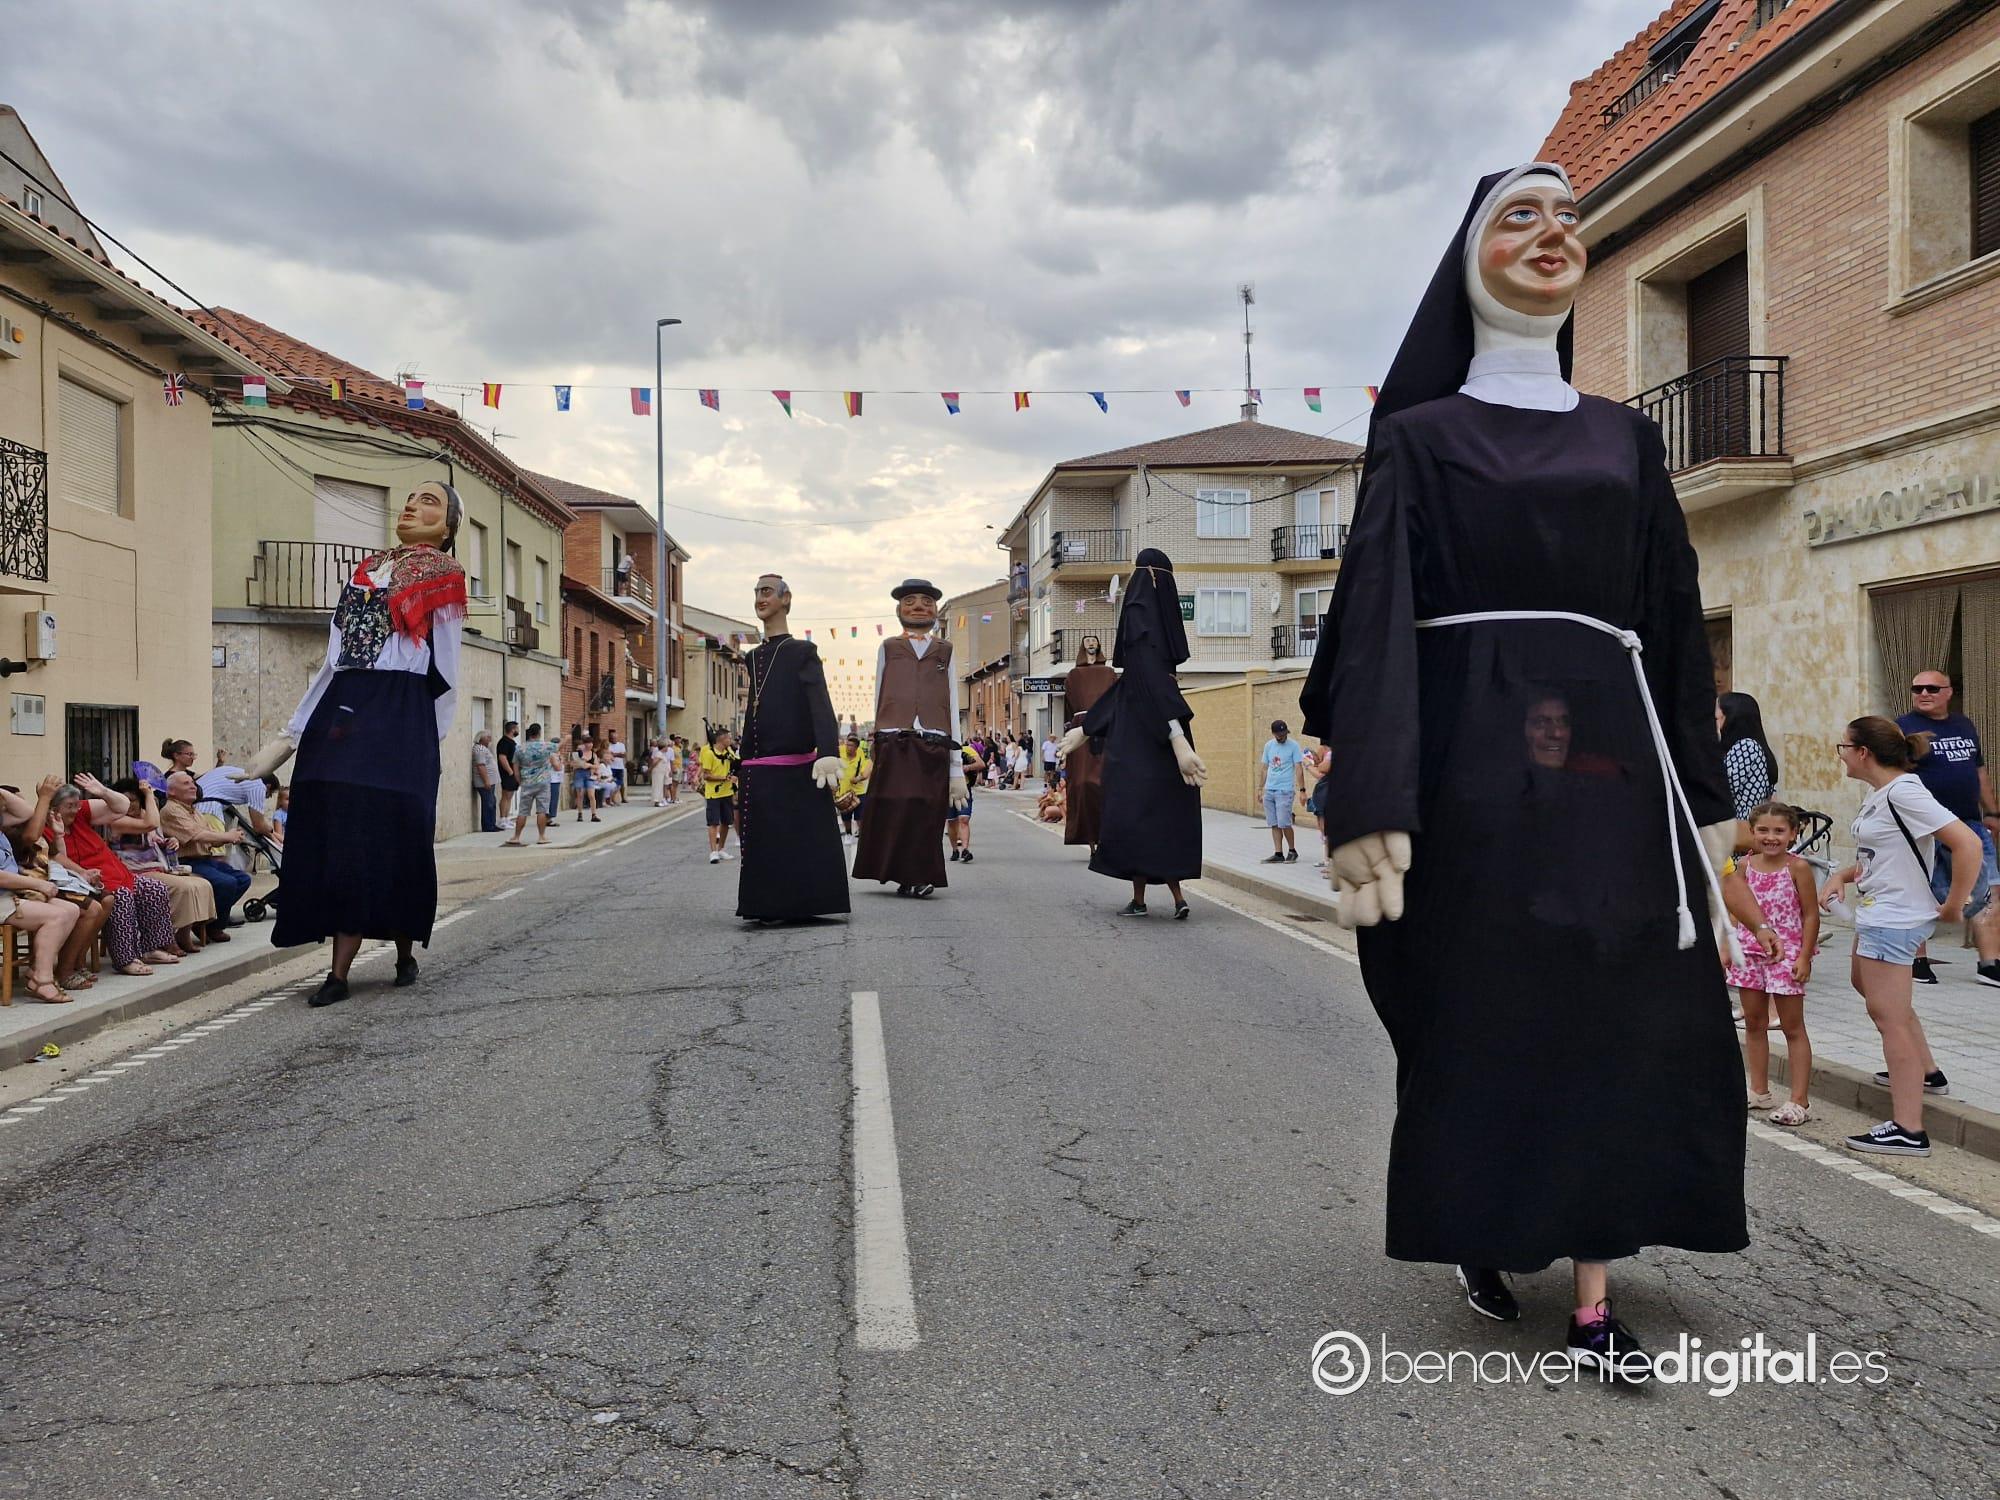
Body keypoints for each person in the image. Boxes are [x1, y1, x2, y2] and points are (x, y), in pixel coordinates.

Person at [1296, 164, 1746, 1380]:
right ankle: (1487, 1219)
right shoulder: (1418, 438)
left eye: (1566, 215)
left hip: (1609, 766)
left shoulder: (1623, 437)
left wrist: (1701, 797)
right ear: (1468, 259)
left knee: (1618, 1006)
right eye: (1519, 215)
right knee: (1483, 1009)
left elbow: (1668, 614)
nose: (1552, 232)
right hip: (1470, 770)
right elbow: (1376, 620)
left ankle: (1593, 1301)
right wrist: (1368, 796)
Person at [234, 479, 467, 1008]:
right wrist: (293, 731)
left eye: (429, 500)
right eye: (411, 498)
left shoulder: (444, 574)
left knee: (398, 833)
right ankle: (338, 970)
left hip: (404, 710)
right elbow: (332, 659)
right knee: (340, 832)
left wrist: (431, 740)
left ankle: (403, 952)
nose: (413, 505)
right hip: (347, 704)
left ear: (448, 526)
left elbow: (448, 669)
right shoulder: (364, 572)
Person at [1819, 716, 1982, 1157]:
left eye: (1843, 747)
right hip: (1879, 911)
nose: (1841, 755)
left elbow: (1967, 843)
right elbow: (1882, 854)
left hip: (1895, 917)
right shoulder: (1882, 793)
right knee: (1866, 986)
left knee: (1888, 1015)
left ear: (1863, 753)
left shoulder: (1904, 792)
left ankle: (1909, 1128)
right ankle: (1926, 1072)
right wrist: (1843, 876)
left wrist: (1954, 906)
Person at [1062, 548, 1207, 918]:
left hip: (1142, 742)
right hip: (1163, 736)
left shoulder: (1140, 623)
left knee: (1138, 818)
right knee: (1164, 818)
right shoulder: (1151, 631)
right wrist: (1086, 728)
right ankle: (1173, 898)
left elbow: (1142, 686)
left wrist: (1176, 740)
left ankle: (1144, 900)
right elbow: (1140, 686)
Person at [736, 574, 850, 921]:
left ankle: (803, 904)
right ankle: (766, 905)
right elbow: (753, 710)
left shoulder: (802, 651)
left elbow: (820, 703)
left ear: (786, 599)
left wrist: (827, 751)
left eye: (767, 591)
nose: (760, 598)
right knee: (765, 844)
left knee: (798, 841)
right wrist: (742, 760)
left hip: (795, 768)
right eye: (757, 592)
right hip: (759, 769)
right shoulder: (753, 656)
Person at [852, 579, 964, 898]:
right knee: (896, 806)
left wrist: (956, 768)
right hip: (894, 739)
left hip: (934, 740)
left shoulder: (945, 649)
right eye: (910, 600)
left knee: (927, 809)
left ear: (936, 609)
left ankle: (920, 874)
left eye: (926, 601)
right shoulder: (888, 647)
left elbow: (953, 701)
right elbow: (878, 694)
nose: (918, 606)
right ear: (898, 609)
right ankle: (900, 872)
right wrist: (875, 745)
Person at [1898, 669, 1999, 988]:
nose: (1923, 694)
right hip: (1924, 826)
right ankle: (1917, 960)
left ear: (1948, 692)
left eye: (1931, 688)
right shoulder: (1903, 727)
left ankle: (1989, 963)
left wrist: (1992, 811)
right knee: (1921, 890)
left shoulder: (1963, 725)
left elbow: (1978, 771)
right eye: (1917, 689)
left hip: (1968, 822)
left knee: (1989, 889)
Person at [1724, 801, 1819, 1127]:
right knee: (1754, 1022)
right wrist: (1729, 944)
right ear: (1751, 832)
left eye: (1779, 831)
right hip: (1750, 953)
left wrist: (1804, 956)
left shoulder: (1798, 868)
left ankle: (1800, 1099)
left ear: (1793, 833)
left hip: (1786, 954)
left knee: (1792, 1027)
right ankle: (1759, 1089)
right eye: (1763, 830)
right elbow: (1736, 910)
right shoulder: (1744, 866)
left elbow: (1811, 914)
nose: (1771, 837)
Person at [46, 778, 181, 975]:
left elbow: (122, 805)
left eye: (77, 805)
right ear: (54, 808)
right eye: (69, 806)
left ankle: (151, 948)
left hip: (119, 873)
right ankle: (125, 958)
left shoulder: (81, 815)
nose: (75, 810)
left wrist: (102, 791)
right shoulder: (48, 826)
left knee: (155, 889)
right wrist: (82, 871)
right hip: (91, 880)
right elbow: (56, 858)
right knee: (122, 897)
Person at [0, 783, 81, 1003]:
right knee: (55, 916)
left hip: (10, 894)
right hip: (3, 899)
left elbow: (26, 812)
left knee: (71, 910)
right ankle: (42, 980)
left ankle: (37, 969)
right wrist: (37, 885)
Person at [158, 770, 252, 941]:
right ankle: (212, 926)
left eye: (193, 783)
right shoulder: (171, 810)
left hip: (205, 859)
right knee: (226, 883)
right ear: (171, 791)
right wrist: (226, 836)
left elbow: (210, 837)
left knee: (243, 879)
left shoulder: (194, 810)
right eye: (186, 783)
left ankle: (207, 920)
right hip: (187, 862)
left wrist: (231, 836)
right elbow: (197, 835)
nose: (193, 786)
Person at [1061, 634, 1116, 852]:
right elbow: (1068, 707)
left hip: (1106, 729)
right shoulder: (1073, 675)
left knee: (1106, 782)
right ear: (1082, 647)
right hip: (1080, 730)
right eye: (1087, 641)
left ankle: (1108, 837)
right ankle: (1090, 839)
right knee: (1082, 783)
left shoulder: (1109, 673)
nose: (1091, 643)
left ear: (1099, 645)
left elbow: (1116, 701)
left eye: (1094, 640)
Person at [1717, 692, 1780, 846]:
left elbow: (1720, 789)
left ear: (1731, 718)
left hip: (1736, 839)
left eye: (1717, 719)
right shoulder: (1750, 747)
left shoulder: (1746, 747)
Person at [1259, 719, 1309, 863]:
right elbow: (1264, 768)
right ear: (1273, 734)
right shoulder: (1268, 746)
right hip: (1269, 789)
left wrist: (1302, 790)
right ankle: (1278, 853)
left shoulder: (1293, 746)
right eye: (1279, 735)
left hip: (1285, 790)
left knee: (1284, 823)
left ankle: (1292, 851)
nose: (1282, 737)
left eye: (1284, 734)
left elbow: (1298, 768)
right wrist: (1260, 788)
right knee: (1274, 823)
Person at [503, 724, 556, 846]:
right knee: (542, 810)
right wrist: (568, 738)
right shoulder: (545, 746)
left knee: (523, 811)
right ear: (539, 733)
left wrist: (520, 781)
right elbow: (559, 746)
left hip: (527, 783)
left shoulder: (520, 748)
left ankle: (516, 837)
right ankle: (541, 836)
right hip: (543, 782)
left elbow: (516, 769)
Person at [701, 727, 739, 864]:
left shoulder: (728, 752)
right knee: (713, 823)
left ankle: (721, 848)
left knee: (726, 822)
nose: (731, 740)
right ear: (722, 739)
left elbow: (737, 763)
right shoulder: (709, 753)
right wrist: (725, 778)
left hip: (727, 792)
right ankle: (713, 852)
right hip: (714, 794)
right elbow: (706, 775)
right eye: (729, 738)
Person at [946, 742, 986, 862]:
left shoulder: (966, 750)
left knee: (964, 819)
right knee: (951, 821)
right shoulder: (941, 750)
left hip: (963, 787)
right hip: (947, 790)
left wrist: (967, 767)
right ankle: (955, 850)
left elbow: (981, 764)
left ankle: (965, 850)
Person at [836, 732, 871, 843]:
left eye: (851, 745)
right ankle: (848, 834)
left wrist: (858, 778)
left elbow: (866, 770)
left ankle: (862, 834)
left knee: (860, 816)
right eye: (847, 744)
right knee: (845, 816)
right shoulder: (840, 750)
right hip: (844, 791)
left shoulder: (861, 753)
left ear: (856, 747)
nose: (848, 747)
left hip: (859, 791)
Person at [569, 731, 600, 823]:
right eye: (587, 743)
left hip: (589, 774)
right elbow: (572, 764)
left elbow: (597, 766)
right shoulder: (578, 753)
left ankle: (594, 814)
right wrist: (580, 764)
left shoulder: (593, 754)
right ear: (584, 744)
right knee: (580, 794)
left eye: (591, 743)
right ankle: (580, 813)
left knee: (591, 795)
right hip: (579, 774)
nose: (589, 745)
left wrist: (589, 765)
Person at [472, 731, 500, 832]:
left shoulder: (484, 749)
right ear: (481, 738)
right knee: (488, 803)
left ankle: (492, 824)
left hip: (490, 781)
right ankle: (488, 826)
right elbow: (481, 766)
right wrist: (486, 781)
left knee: (492, 802)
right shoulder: (480, 749)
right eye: (488, 737)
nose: (490, 740)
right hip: (484, 782)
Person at [607, 730, 628, 806]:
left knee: (620, 783)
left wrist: (614, 754)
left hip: (620, 767)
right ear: (610, 738)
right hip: (611, 767)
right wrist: (618, 754)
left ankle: (623, 798)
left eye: (615, 738)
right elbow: (608, 755)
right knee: (612, 783)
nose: (614, 739)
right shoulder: (608, 745)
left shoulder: (621, 745)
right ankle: (611, 799)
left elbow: (623, 755)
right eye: (612, 738)